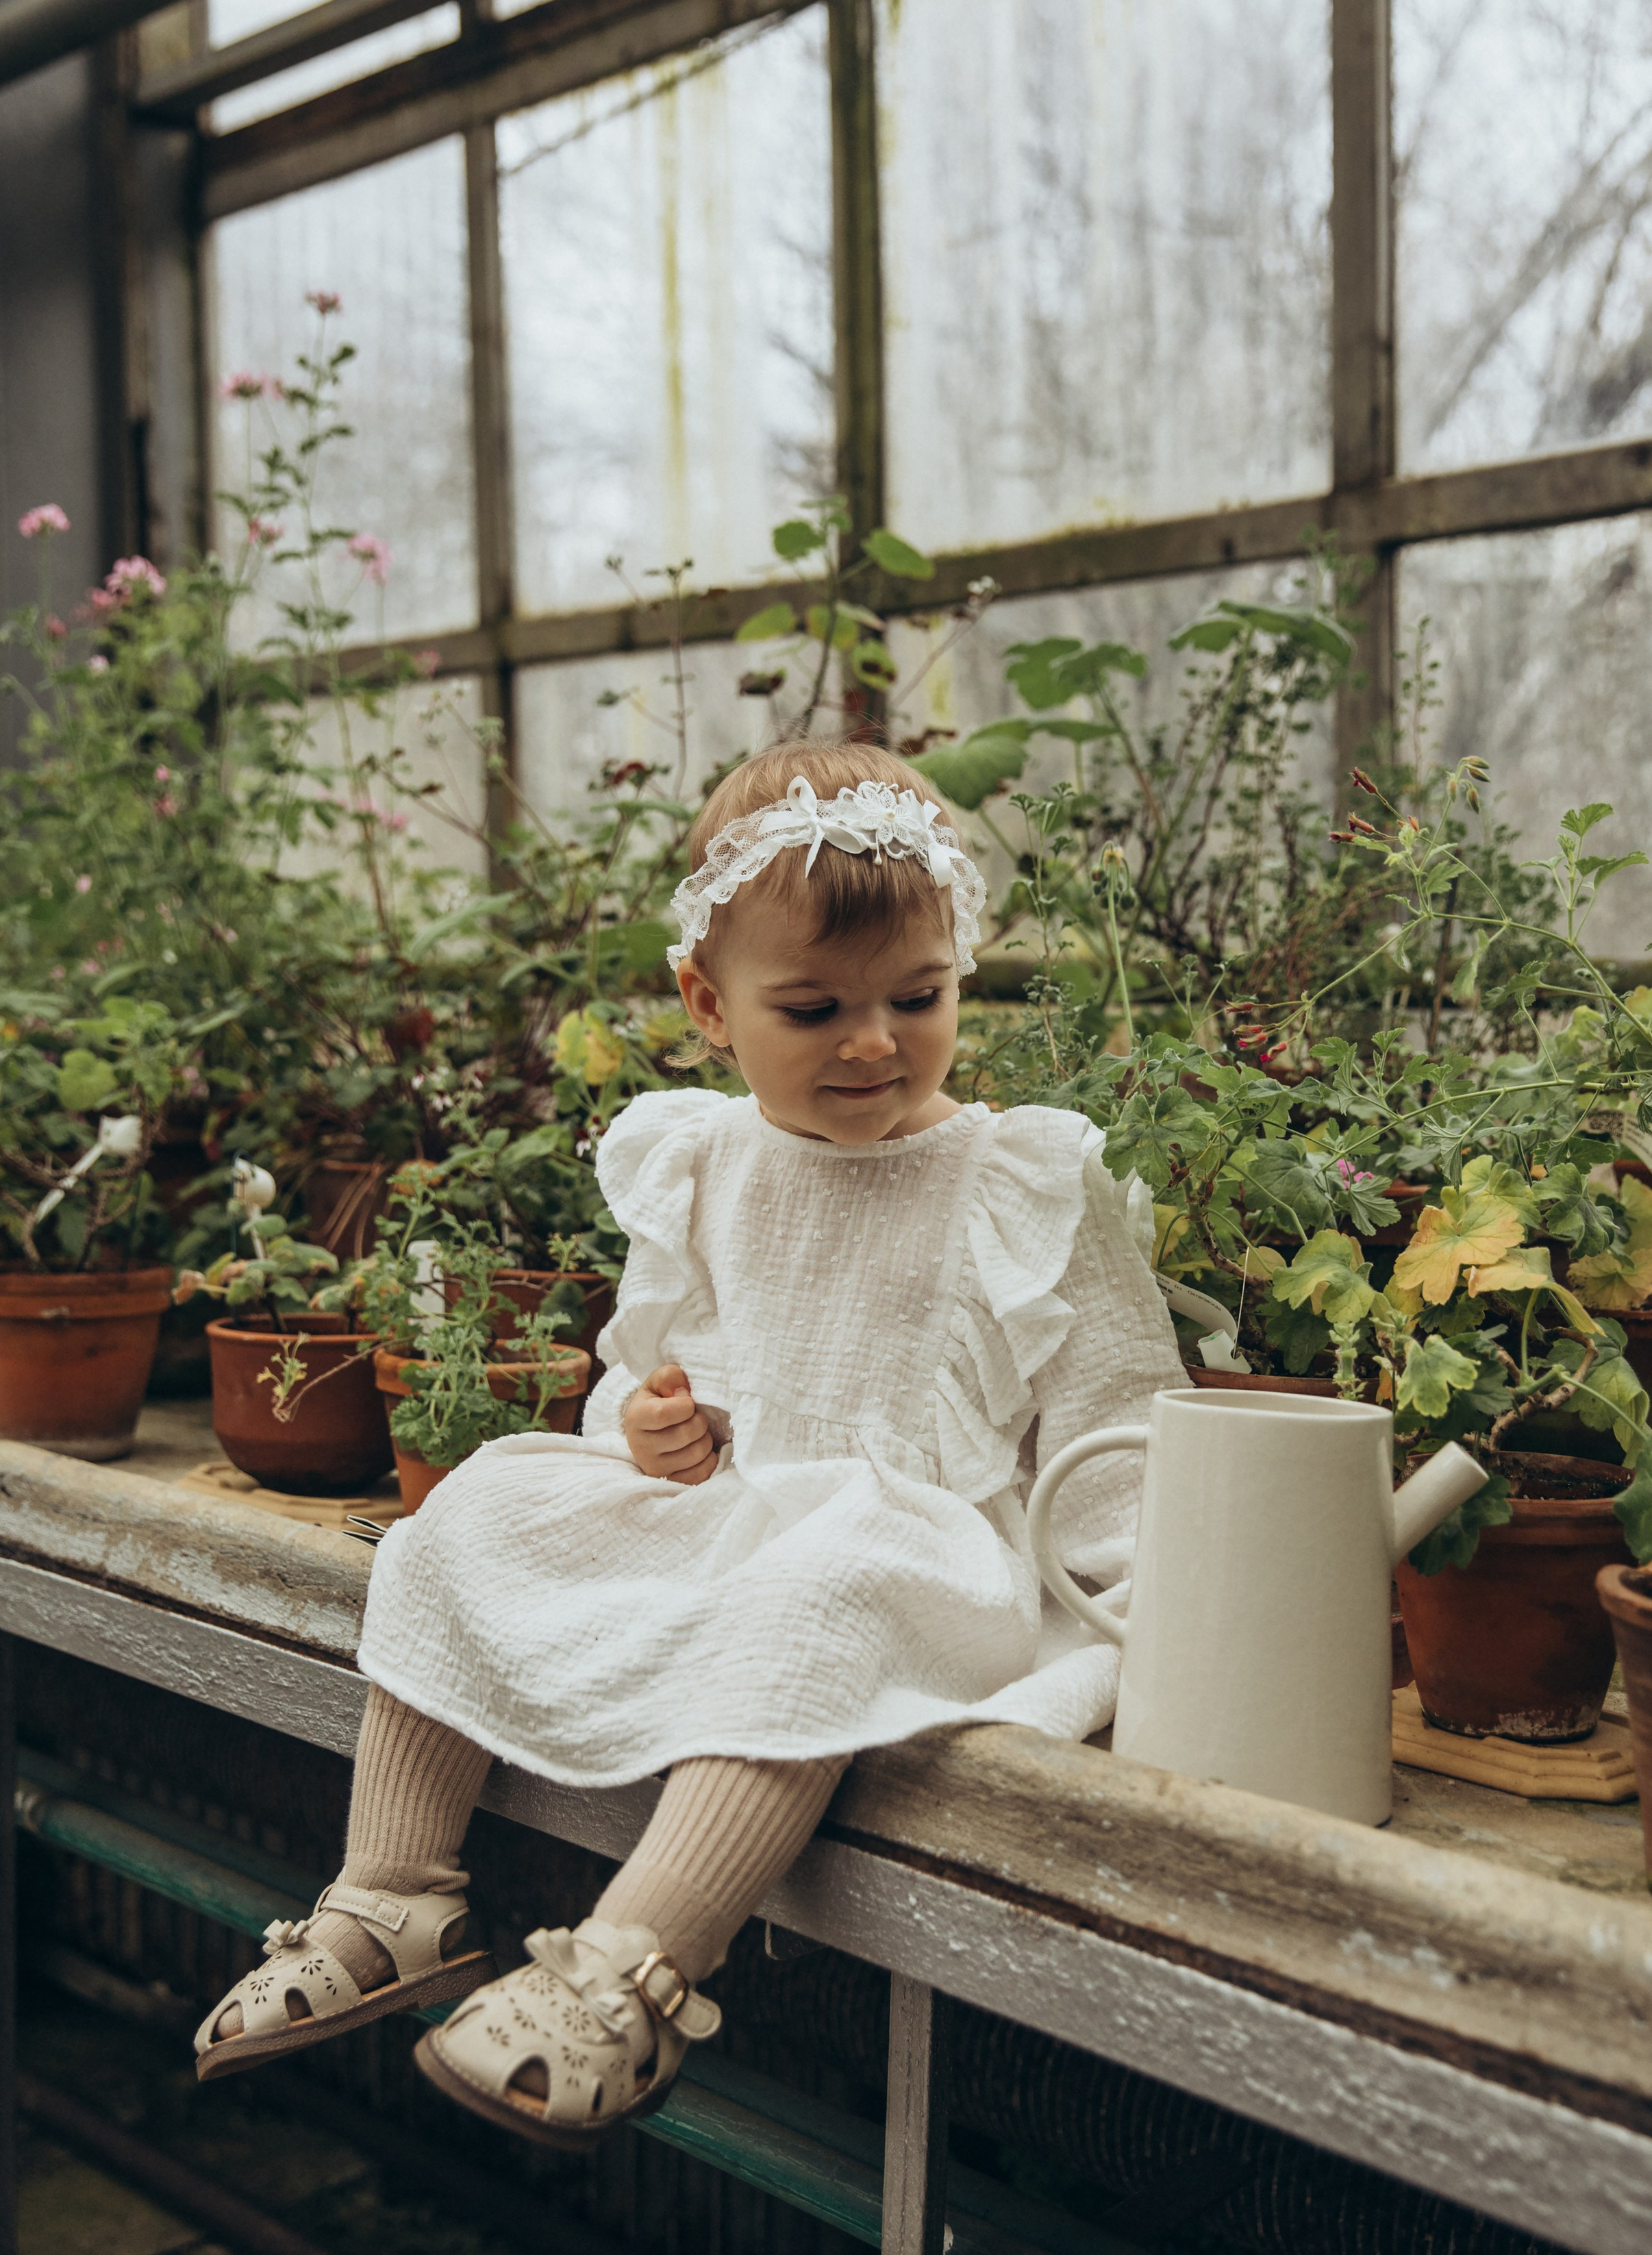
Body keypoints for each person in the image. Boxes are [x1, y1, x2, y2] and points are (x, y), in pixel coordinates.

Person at [193, 739, 1186, 2147]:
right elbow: (647, 1381)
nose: (874, 1042)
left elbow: (1116, 1416)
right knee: (476, 1505)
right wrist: (658, 1432)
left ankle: (634, 1967)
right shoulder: (706, 1158)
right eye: (814, 1008)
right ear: (708, 1006)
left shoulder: (1017, 1175)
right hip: (738, 1514)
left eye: (919, 998)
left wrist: (1144, 1611)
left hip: (910, 1553)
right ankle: (396, 1894)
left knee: (817, 1592)